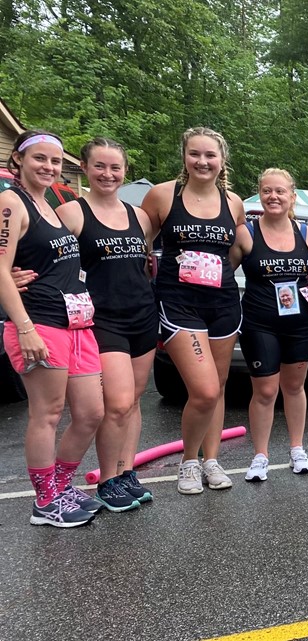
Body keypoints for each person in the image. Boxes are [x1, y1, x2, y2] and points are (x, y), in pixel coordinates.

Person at [0, 130, 104, 527]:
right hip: (39, 322)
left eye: (55, 161)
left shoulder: (53, 203)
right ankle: (45, 501)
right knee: (47, 413)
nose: (48, 167)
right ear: (19, 161)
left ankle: (60, 486)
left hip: (78, 322)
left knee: (91, 412)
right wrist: (23, 327)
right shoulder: (11, 202)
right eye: (39, 159)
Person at [53, 138, 159, 511]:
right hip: (101, 320)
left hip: (142, 316)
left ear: (125, 170)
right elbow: (50, 261)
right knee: (116, 403)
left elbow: (145, 262)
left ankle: (127, 471)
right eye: (99, 166)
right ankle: (108, 479)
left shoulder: (140, 216)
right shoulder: (72, 214)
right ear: (85, 168)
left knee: (132, 403)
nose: (108, 174)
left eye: (115, 167)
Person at [141, 127, 245, 495]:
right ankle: (188, 462)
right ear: (184, 156)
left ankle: (212, 460)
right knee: (202, 390)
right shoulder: (163, 195)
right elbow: (139, 241)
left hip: (223, 304)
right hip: (179, 304)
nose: (203, 161)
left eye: (210, 155)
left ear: (222, 161)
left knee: (218, 387)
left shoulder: (232, 202)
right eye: (195, 154)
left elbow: (236, 251)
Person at [235, 168, 308, 482]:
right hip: (259, 323)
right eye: (267, 191)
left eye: (280, 191)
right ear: (260, 194)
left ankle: (297, 448)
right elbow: (223, 272)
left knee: (294, 386)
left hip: (300, 323)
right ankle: (260, 455)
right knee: (264, 390)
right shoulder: (246, 233)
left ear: (292, 195)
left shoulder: (307, 234)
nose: (273, 197)